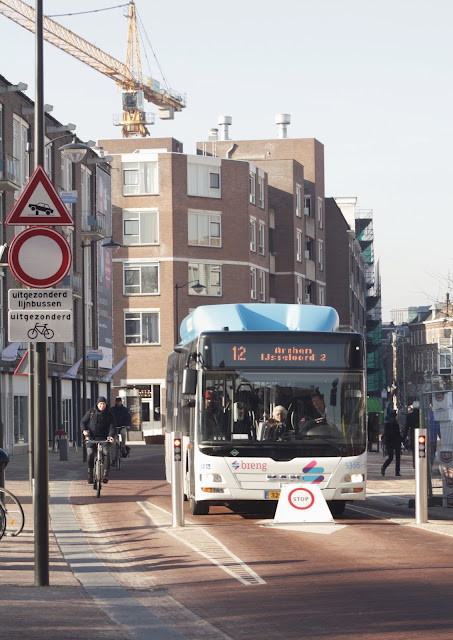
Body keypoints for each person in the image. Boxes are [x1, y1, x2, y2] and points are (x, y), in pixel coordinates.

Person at [81, 396, 116, 484]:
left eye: (103, 404)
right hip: (92, 437)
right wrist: (84, 430)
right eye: (100, 404)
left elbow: (112, 427)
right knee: (90, 453)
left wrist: (111, 436)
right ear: (97, 404)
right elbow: (83, 422)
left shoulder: (109, 414)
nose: (102, 406)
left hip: (104, 438)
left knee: (106, 453)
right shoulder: (91, 412)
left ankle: (105, 474)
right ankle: (90, 473)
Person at [381, 410, 402, 477]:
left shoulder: (387, 423)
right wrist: (401, 439)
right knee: (398, 457)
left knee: (390, 457)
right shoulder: (395, 423)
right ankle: (397, 472)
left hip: (389, 441)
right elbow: (398, 433)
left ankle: (384, 467)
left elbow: (385, 433)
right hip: (396, 441)